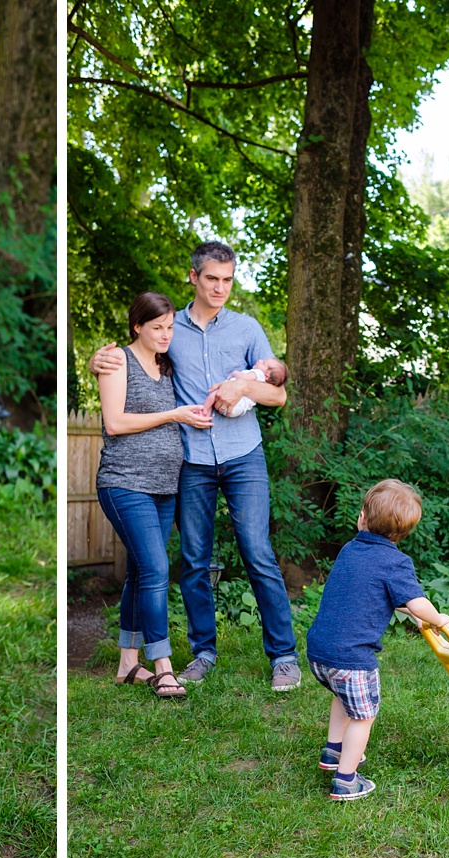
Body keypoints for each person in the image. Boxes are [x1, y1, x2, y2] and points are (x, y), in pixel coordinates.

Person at [90, 241, 299, 691]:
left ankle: (283, 656)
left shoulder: (246, 329)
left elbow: (278, 394)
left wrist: (243, 386)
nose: (220, 287)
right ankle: (203, 652)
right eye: (211, 279)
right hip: (193, 461)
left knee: (257, 552)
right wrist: (97, 361)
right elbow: (133, 357)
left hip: (244, 455)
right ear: (193, 277)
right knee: (194, 560)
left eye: (227, 279)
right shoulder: (169, 330)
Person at [304, 479, 449, 800]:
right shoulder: (396, 562)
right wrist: (437, 617)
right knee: (363, 714)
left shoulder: (350, 549)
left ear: (362, 518)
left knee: (342, 698)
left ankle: (332, 752)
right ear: (402, 534)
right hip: (352, 660)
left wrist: (411, 609)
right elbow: (416, 602)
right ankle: (346, 778)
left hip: (319, 653)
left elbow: (371, 590)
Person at [97, 291, 214, 699]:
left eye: (169, 327)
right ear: (137, 327)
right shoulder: (117, 362)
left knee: (140, 572)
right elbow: (114, 422)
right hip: (124, 482)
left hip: (165, 486)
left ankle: (128, 664)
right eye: (156, 328)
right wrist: (175, 414)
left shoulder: (167, 364)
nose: (165, 334)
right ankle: (162, 664)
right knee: (157, 568)